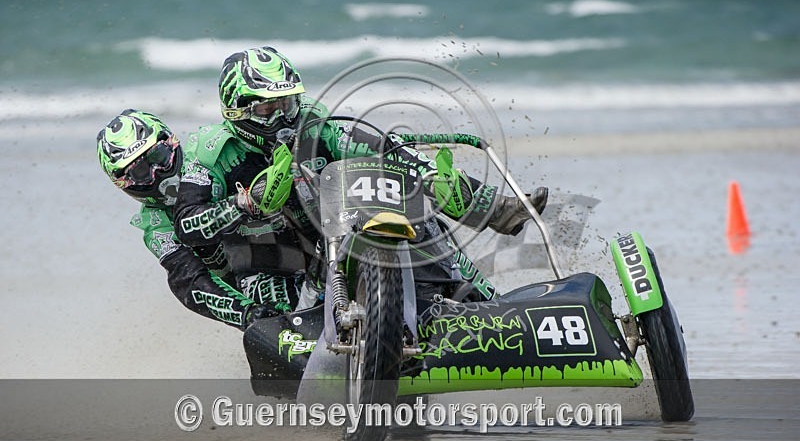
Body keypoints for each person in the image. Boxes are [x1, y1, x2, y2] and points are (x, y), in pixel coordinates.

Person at [173, 46, 548, 312]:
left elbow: (382, 146)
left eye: (287, 104)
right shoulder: (208, 154)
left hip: (334, 236)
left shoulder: (316, 125)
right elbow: (186, 226)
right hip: (268, 262)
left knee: (418, 207)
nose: (282, 118)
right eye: (268, 109)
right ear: (236, 109)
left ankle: (487, 293)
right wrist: (245, 203)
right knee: (269, 302)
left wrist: (428, 173)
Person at [96, 109, 280, 331]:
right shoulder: (157, 227)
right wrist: (246, 314)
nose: (158, 173)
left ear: (171, 143)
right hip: (255, 281)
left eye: (158, 157)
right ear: (124, 183)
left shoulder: (209, 152)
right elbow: (189, 281)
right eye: (142, 172)